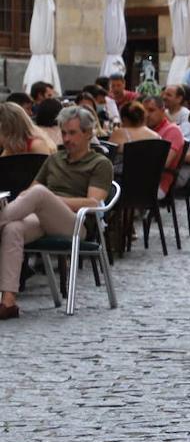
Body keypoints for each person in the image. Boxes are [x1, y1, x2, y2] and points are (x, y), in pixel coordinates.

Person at [0, 106, 112, 320]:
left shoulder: (100, 163)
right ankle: (8, 302)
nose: (67, 138)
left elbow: (93, 202)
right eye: (64, 133)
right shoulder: (54, 160)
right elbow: (30, 191)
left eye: (72, 133)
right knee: (13, 228)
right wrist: (37, 199)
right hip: (45, 217)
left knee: (40, 194)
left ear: (88, 133)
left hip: (78, 225)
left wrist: (52, 200)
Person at [142, 95, 185, 199]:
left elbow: (163, 163)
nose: (147, 115)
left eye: (151, 110)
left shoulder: (172, 131)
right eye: (144, 111)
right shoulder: (145, 130)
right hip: (140, 180)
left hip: (157, 185)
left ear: (162, 111)